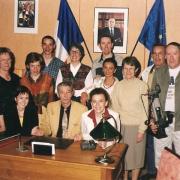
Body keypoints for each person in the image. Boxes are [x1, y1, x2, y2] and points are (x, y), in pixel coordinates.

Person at [111, 56, 148, 180]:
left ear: (136, 70)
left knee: (137, 158)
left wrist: (142, 130)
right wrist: (115, 128)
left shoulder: (142, 86)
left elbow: (145, 110)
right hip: (122, 127)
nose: (128, 72)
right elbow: (114, 108)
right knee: (124, 158)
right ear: (122, 70)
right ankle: (125, 178)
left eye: (131, 68)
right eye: (125, 69)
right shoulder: (118, 86)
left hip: (137, 127)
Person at [150, 42, 180, 169]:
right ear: (166, 56)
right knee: (160, 157)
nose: (171, 57)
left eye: (175, 53)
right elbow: (153, 98)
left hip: (179, 123)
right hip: (162, 122)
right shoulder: (159, 72)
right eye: (168, 54)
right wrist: (153, 120)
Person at [141, 44, 166, 179]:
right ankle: (151, 172)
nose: (157, 56)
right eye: (154, 54)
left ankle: (163, 174)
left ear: (165, 55)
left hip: (163, 114)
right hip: (148, 112)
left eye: (160, 53)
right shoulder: (147, 71)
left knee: (163, 148)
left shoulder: (171, 72)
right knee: (150, 144)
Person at [0, 47, 20, 114]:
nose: (6, 62)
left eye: (8, 59)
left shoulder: (16, 79)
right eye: (3, 60)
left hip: (14, 116)